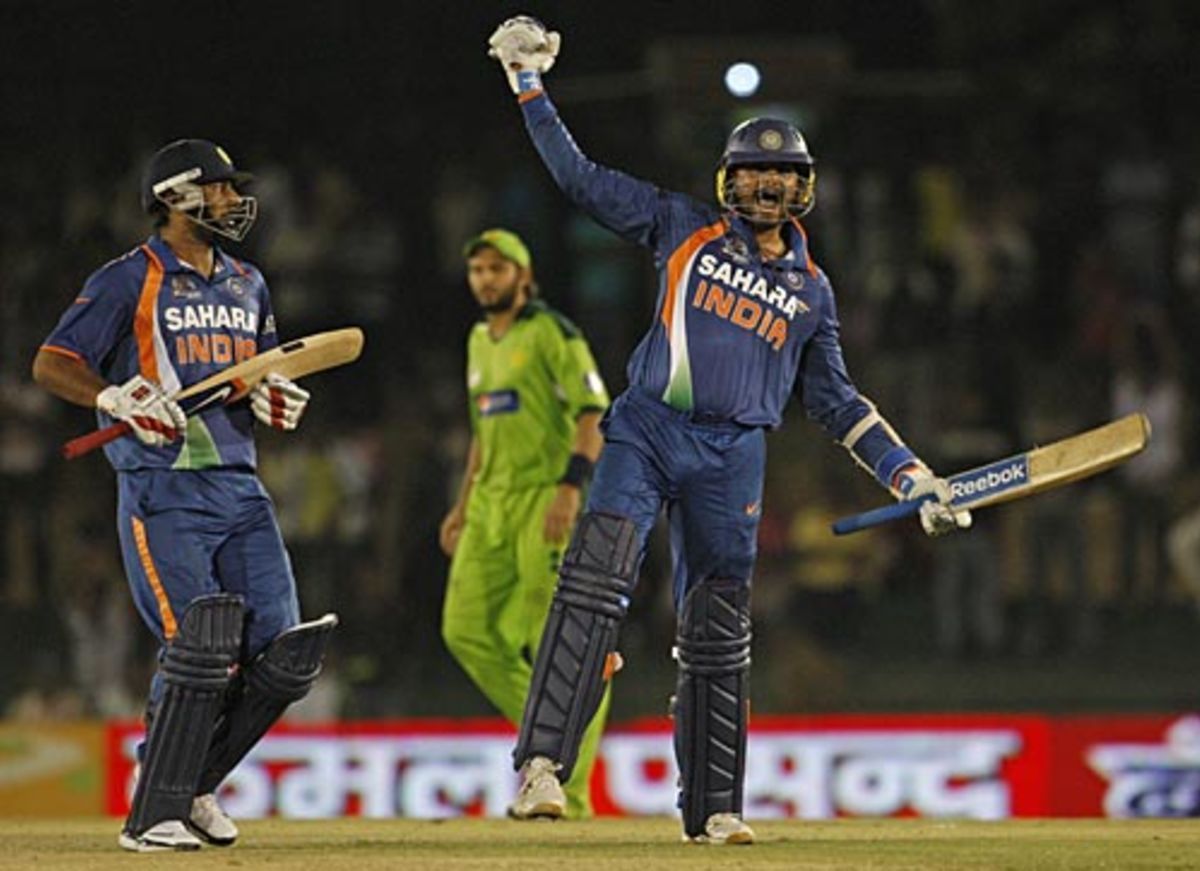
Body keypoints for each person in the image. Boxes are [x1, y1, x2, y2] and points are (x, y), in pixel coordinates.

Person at [485, 16, 972, 844]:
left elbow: (839, 402)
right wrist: (529, 86)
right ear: (729, 180)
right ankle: (541, 767)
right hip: (646, 429)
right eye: (753, 172)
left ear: (804, 187)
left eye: (782, 174)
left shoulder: (813, 291)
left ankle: (713, 806)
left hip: (734, 456)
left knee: (716, 631)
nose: (767, 187)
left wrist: (911, 477)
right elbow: (581, 179)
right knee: (597, 580)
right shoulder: (682, 226)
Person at [31, 139, 337, 852]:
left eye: (233, 189)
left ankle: (183, 785)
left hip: (241, 486)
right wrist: (112, 391)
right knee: (199, 648)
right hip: (162, 487)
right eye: (219, 188)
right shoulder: (126, 278)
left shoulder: (248, 282)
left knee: (286, 654)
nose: (233, 200)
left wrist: (272, 396)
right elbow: (52, 362)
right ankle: (154, 815)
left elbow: (256, 369)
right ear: (174, 197)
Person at [439, 228, 612, 819]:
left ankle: (573, 790)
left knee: (556, 648)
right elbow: (481, 435)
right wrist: (463, 506)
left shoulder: (552, 333)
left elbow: (594, 413)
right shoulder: (475, 340)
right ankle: (548, 737)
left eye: (496, 269)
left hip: (544, 500)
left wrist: (570, 487)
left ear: (522, 274)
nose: (485, 279)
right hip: (489, 507)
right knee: (464, 630)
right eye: (477, 270)